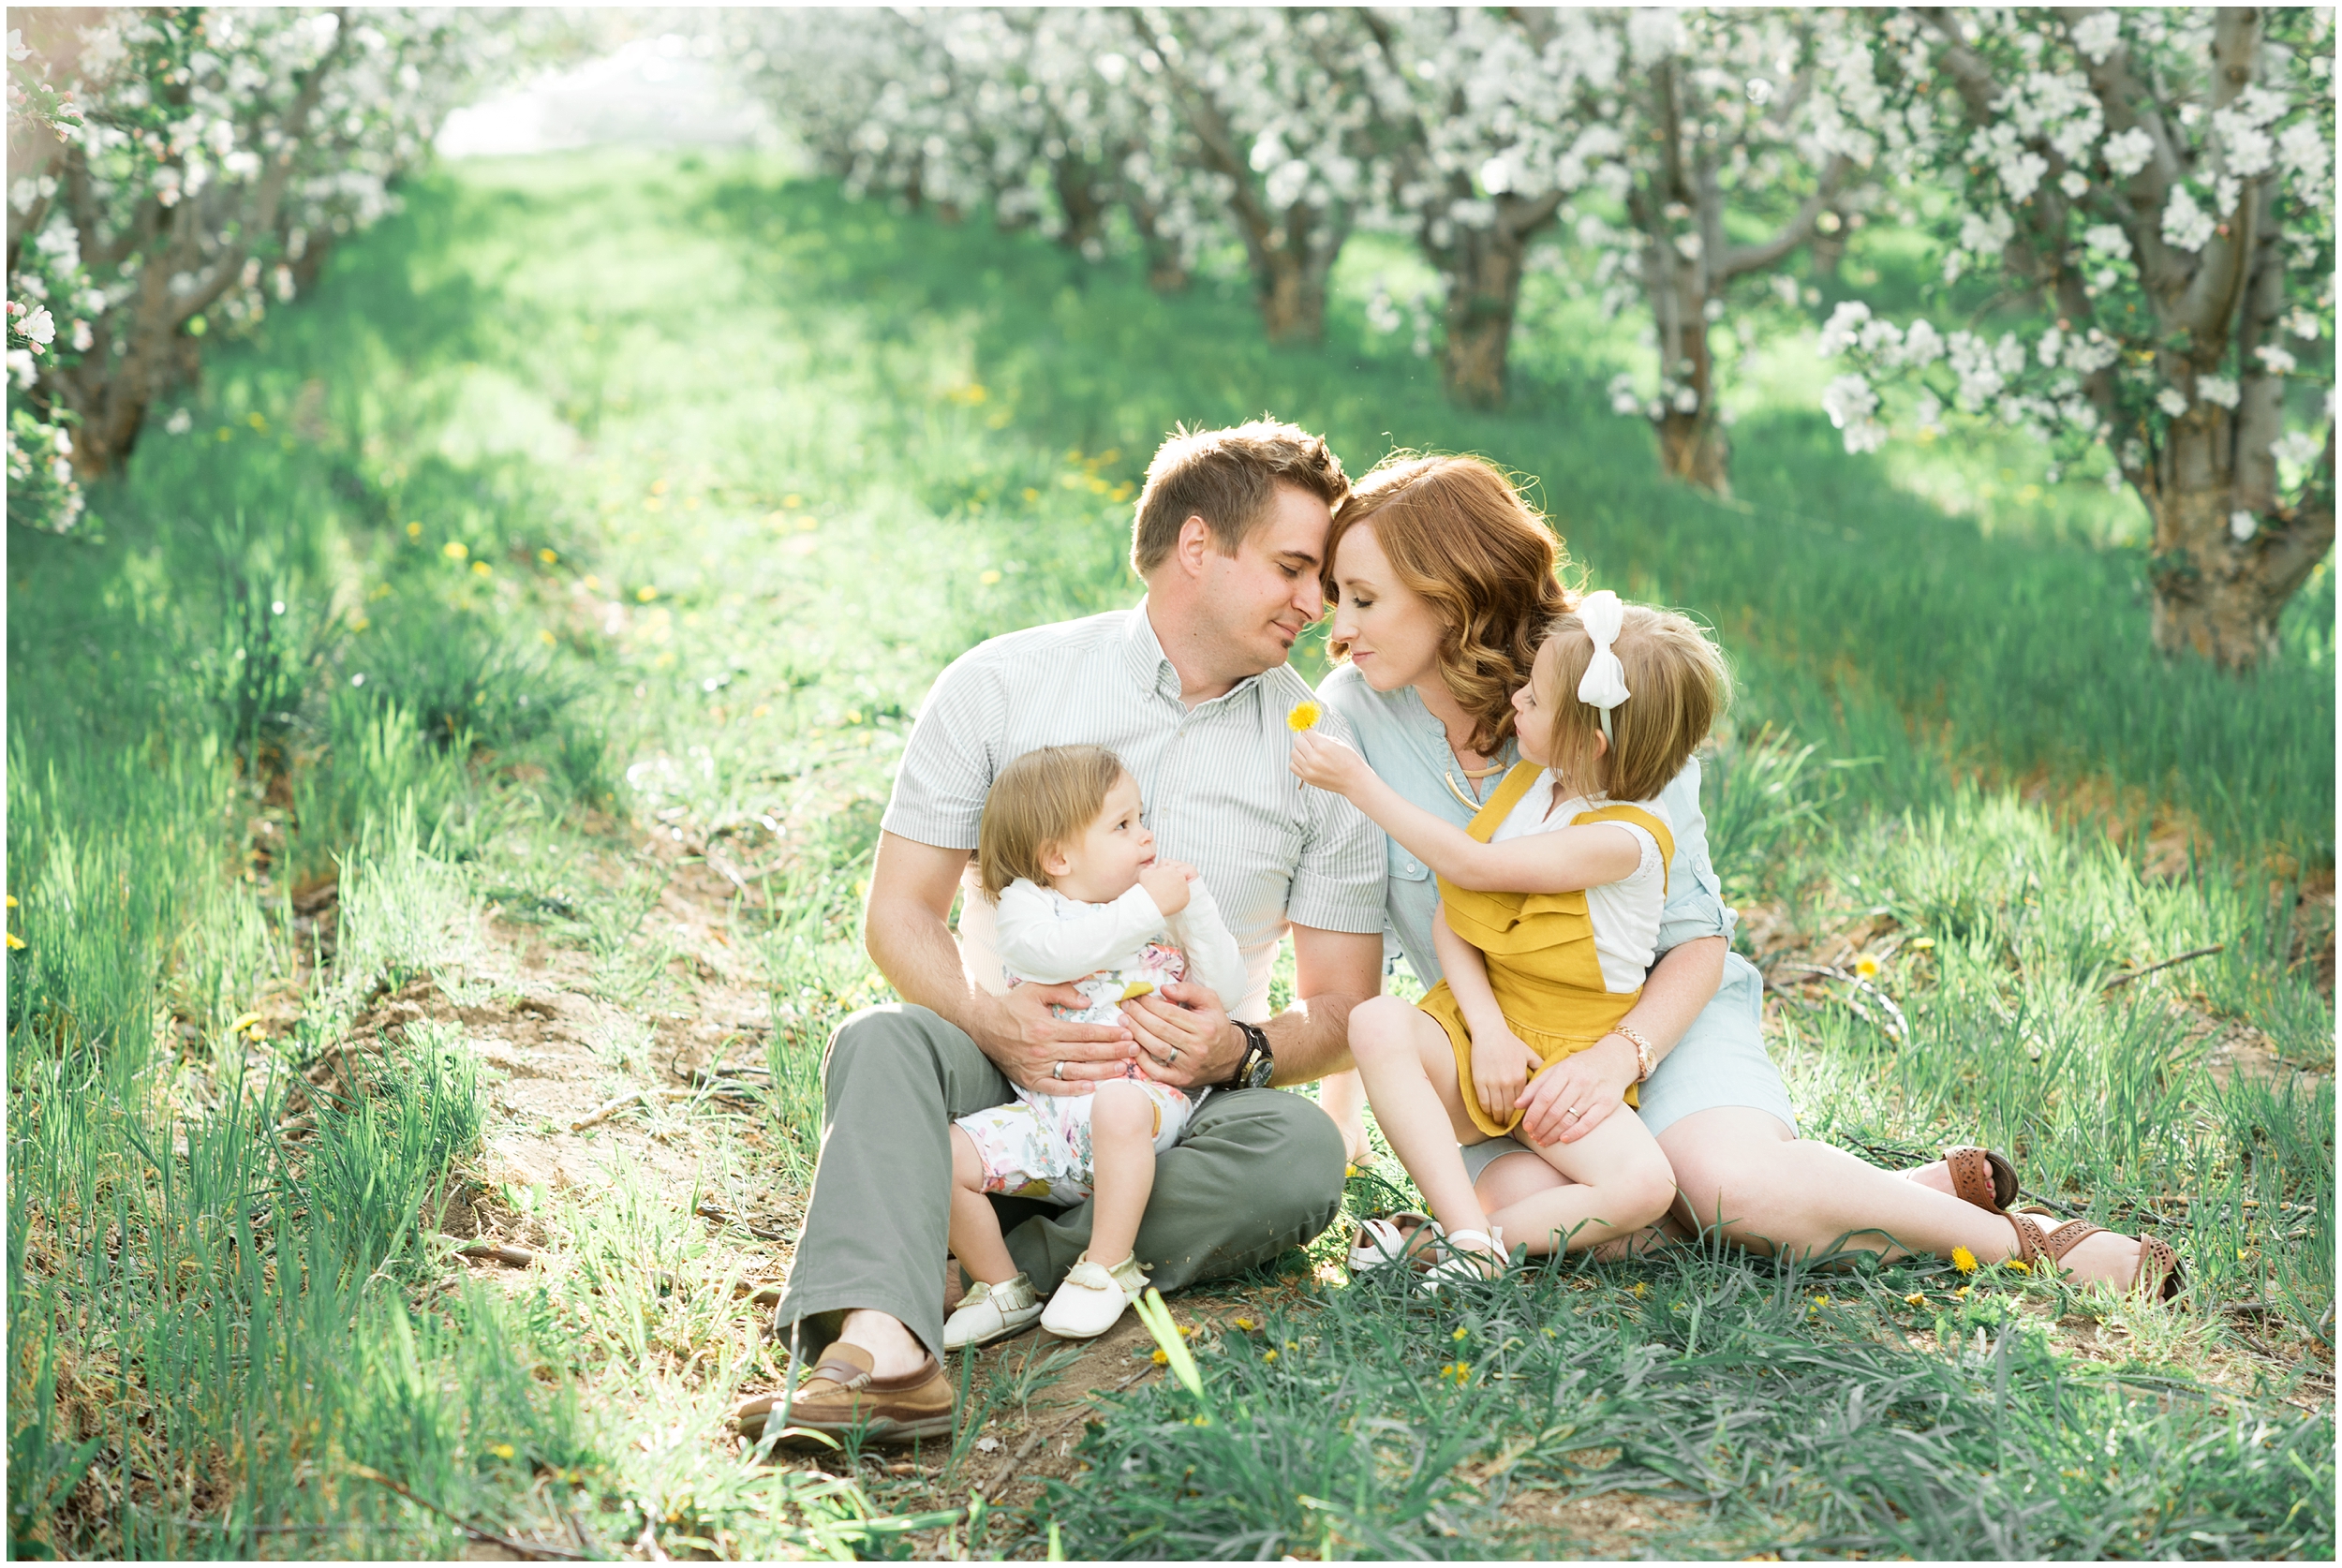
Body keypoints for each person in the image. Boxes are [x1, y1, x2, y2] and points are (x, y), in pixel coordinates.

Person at [1312, 453, 2181, 1296]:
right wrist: (1347, 1116)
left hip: (1657, 1017)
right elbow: (1366, 930)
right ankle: (1894, 1195)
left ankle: (2023, 1242)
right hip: (1499, 1055)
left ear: (1453, 596)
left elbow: (1695, 935)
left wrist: (1620, 1057)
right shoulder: (1349, 715)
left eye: (1362, 599)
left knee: (1727, 1188)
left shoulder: (1610, 689)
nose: (1336, 628)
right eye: (1335, 597)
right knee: (1543, 1212)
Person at [734, 421, 1388, 1445]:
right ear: (1199, 547)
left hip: (1181, 1112)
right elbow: (900, 914)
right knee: (880, 1040)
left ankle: (974, 1254)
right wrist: (991, 1024)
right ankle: (879, 1348)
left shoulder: (1321, 754)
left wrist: (1241, 1048)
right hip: (1007, 1072)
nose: (1317, 605)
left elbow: (1345, 1009)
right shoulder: (1001, 683)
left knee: (1302, 1152)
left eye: (1323, 580)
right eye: (1295, 569)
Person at [1293, 592, 1729, 1280]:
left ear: (1590, 743)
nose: (1516, 698)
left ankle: (1452, 1244)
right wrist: (1489, 1032)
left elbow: (1472, 866)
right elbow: (1455, 909)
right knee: (1378, 1023)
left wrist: (1359, 784)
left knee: (1646, 1186)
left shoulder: (1627, 838)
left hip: (1569, 1062)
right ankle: (1470, 1236)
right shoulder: (1532, 783)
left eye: (1536, 695)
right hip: (1485, 1034)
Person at [943, 745, 1248, 1348]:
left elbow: (1226, 990)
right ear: (1057, 857)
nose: (1146, 837)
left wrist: (1197, 911)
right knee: (939, 1154)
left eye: (1143, 819)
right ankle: (1003, 1287)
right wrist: (1148, 905)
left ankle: (1108, 1266)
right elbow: (1056, 955)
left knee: (1119, 1105)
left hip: (1142, 1105)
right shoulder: (1031, 908)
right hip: (1047, 1120)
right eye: (1123, 825)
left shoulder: (1153, 909)